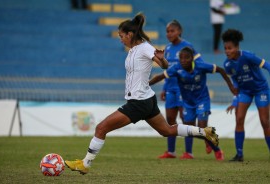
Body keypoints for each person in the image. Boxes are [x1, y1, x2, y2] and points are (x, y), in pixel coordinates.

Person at [64, 13, 219, 175]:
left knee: (101, 128)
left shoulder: (145, 47)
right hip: (146, 99)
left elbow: (164, 65)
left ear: (130, 34)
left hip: (138, 102)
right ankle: (204, 132)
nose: (120, 38)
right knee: (166, 130)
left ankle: (85, 164)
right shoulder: (133, 50)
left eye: (121, 35)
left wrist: (163, 59)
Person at [150, 46, 237, 160]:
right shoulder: (176, 68)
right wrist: (146, 84)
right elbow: (160, 77)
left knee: (201, 127)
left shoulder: (201, 66)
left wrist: (231, 86)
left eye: (186, 58)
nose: (183, 60)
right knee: (190, 130)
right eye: (181, 58)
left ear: (192, 58)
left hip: (202, 100)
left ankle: (215, 147)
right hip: (187, 103)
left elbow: (220, 70)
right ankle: (209, 144)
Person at [157, 20, 206, 159]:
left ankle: (188, 152)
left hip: (183, 88)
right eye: (167, 31)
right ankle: (171, 151)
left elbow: (199, 64)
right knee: (170, 119)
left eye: (172, 31)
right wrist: (164, 87)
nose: (169, 34)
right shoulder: (167, 48)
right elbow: (167, 70)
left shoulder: (187, 46)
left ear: (179, 31)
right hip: (170, 89)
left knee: (186, 119)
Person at [222, 29, 270, 162]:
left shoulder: (248, 56)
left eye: (230, 48)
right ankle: (239, 155)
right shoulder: (227, 64)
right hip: (245, 92)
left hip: (261, 90)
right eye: (225, 48)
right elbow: (235, 84)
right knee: (239, 119)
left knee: (265, 122)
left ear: (237, 47)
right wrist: (234, 101)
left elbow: (266, 65)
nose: (227, 51)